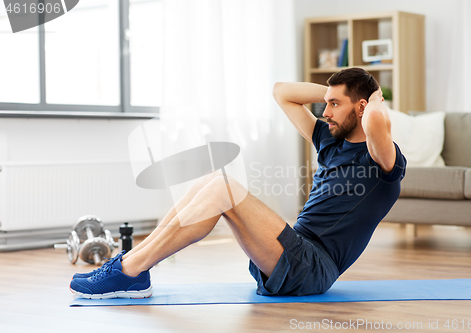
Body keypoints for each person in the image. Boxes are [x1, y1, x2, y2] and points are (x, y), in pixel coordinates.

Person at [70, 67, 406, 299]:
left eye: (334, 105)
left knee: (224, 188)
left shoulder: (382, 160)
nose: (326, 111)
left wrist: (372, 97)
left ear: (361, 108)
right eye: (327, 103)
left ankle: (129, 272)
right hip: (288, 254)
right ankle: (130, 264)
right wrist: (337, 93)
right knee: (213, 179)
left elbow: (376, 120)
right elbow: (282, 92)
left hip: (313, 268)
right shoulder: (331, 141)